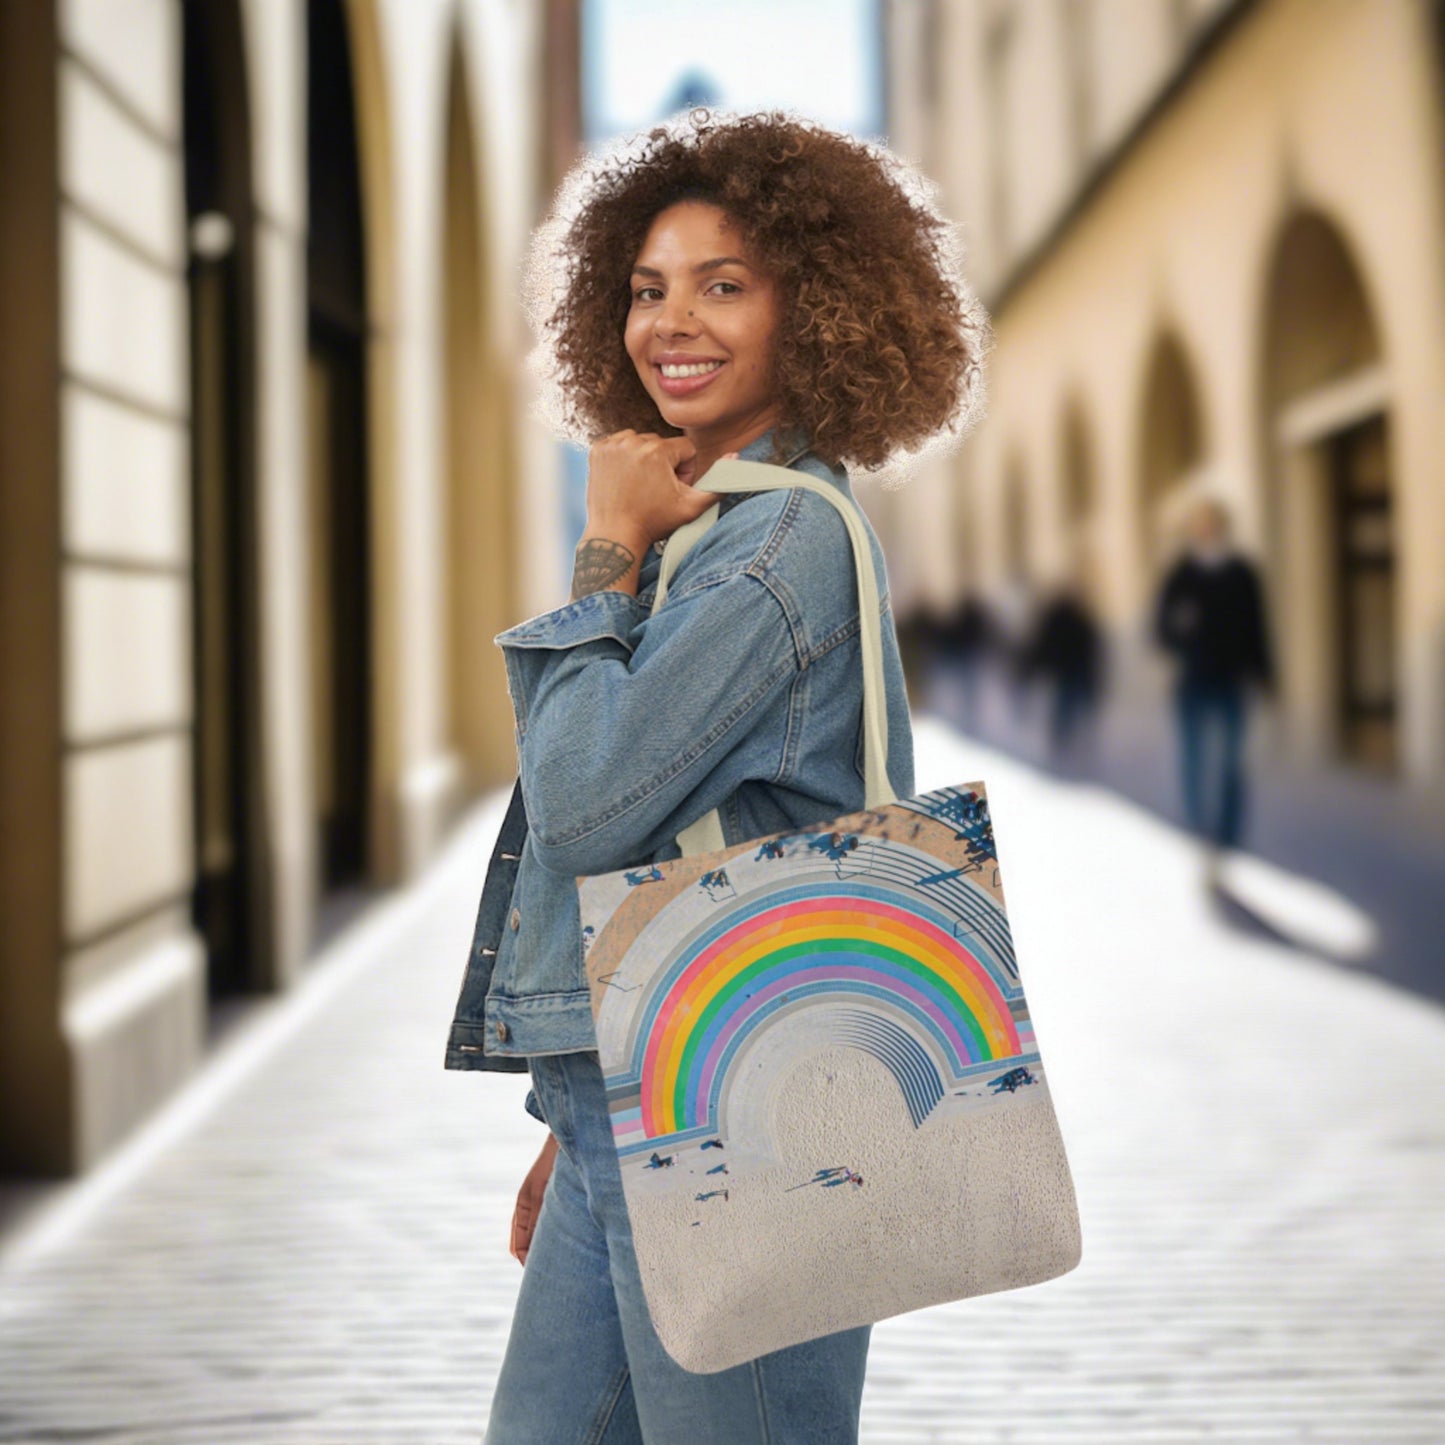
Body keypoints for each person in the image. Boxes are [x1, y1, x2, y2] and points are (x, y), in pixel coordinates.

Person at [442, 107, 989, 1443]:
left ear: (816, 311)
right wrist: (579, 1110)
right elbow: (661, 853)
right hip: (642, 1096)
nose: (667, 322)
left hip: (743, 1128)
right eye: (643, 290)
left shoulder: (770, 551)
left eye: (722, 285)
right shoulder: (723, 526)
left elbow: (590, 806)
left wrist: (603, 557)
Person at [1152, 494, 1275, 875]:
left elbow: (1258, 628)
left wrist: (1267, 675)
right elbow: (1160, 629)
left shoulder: (1243, 573)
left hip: (1230, 680)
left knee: (1231, 761)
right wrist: (1180, 634)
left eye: (1213, 522)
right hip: (1192, 681)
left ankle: (1226, 834)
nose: (1207, 529)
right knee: (1193, 757)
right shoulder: (1180, 574)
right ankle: (1198, 829)